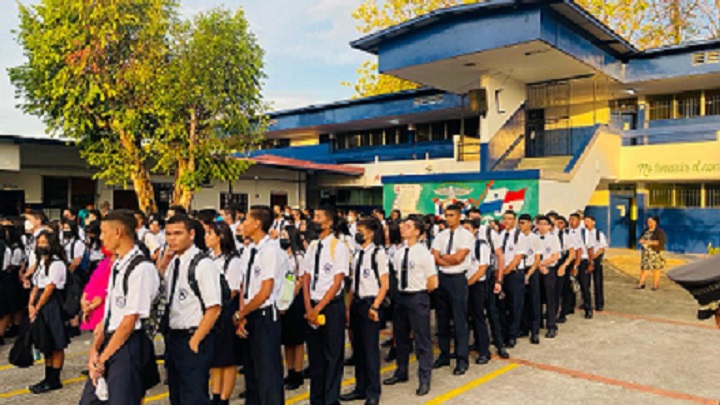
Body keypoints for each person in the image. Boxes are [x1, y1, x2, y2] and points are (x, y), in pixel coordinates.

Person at [79, 210, 161, 405]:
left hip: (127, 344)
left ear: (118, 232)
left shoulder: (141, 268)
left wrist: (103, 359)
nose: (101, 237)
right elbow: (109, 313)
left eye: (103, 232)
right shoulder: (117, 265)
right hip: (110, 338)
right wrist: (95, 350)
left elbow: (129, 320)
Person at [160, 215, 222, 405]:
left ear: (192, 234)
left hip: (193, 336)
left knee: (194, 397)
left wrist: (195, 341)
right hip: (174, 337)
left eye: (178, 233)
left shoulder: (203, 264)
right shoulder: (174, 262)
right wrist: (163, 263)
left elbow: (214, 307)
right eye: (168, 234)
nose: (172, 239)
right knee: (177, 396)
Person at [235, 205, 285, 405]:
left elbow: (265, 291)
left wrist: (241, 313)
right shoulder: (250, 250)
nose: (243, 224)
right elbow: (244, 285)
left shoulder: (270, 250)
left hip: (265, 315)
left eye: (246, 220)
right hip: (249, 314)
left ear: (257, 224)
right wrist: (242, 315)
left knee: (268, 374)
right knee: (252, 373)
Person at [383, 217, 437, 396]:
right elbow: (397, 275)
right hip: (401, 297)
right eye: (403, 226)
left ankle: (424, 379)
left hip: (417, 297)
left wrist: (419, 294)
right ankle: (401, 371)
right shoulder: (399, 253)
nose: (403, 229)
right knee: (400, 337)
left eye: (408, 227)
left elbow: (433, 282)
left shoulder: (423, 253)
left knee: (422, 339)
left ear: (417, 231)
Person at [302, 206, 349, 405]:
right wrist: (308, 308)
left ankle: (331, 399)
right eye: (314, 217)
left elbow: (337, 282)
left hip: (330, 307)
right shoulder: (312, 246)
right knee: (315, 356)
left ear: (329, 223)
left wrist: (319, 308)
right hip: (311, 306)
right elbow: (306, 278)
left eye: (319, 217)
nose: (315, 220)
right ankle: (317, 399)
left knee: (332, 356)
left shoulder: (338, 247)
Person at [341, 219, 389, 405]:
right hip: (357, 304)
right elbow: (353, 284)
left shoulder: (378, 253)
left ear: (370, 233)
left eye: (361, 230)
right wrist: (348, 307)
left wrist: (375, 306)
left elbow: (384, 284)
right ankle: (359, 388)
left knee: (370, 351)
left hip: (371, 303)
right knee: (359, 349)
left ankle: (373, 392)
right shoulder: (358, 253)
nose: (358, 234)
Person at [431, 204, 474, 375]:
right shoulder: (440, 235)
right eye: (446, 215)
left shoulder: (466, 235)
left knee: (459, 320)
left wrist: (443, 257)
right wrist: (445, 259)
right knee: (442, 319)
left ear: (458, 216)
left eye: (451, 215)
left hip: (457, 279)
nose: (447, 218)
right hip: (442, 278)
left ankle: (461, 359)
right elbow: (434, 256)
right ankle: (444, 354)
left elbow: (458, 258)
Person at [204, 221, 243, 405]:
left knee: (227, 358)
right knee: (215, 358)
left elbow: (234, 289)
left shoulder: (232, 260)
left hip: (225, 310)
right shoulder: (208, 257)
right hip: (209, 310)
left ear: (220, 236)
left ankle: (224, 397)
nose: (206, 237)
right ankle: (216, 393)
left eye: (209, 233)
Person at [28, 231, 69, 394]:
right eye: (39, 242)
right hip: (40, 301)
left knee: (56, 342)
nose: (41, 246)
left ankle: (54, 379)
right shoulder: (41, 262)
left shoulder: (56, 263)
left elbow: (50, 288)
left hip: (52, 303)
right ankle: (47, 377)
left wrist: (37, 307)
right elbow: (36, 285)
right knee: (45, 342)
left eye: (45, 242)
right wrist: (31, 304)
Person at [280, 226, 306, 391]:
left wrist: (289, 298)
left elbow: (300, 279)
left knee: (297, 340)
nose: (282, 238)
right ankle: (289, 370)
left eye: (285, 235)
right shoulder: (281, 255)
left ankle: (298, 372)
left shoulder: (299, 257)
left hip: (294, 300)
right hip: (282, 299)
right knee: (287, 340)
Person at [464, 219, 492, 364]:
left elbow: (482, 269)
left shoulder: (481, 246)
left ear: (475, 230)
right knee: (466, 318)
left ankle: (484, 351)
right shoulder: (460, 246)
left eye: (468, 228)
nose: (465, 231)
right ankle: (472, 344)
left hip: (476, 285)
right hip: (463, 285)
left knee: (478, 317)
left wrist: (469, 283)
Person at [535, 216, 561, 338]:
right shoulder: (534, 237)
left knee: (550, 299)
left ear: (550, 226)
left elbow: (555, 256)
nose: (542, 226)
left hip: (549, 270)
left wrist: (543, 265)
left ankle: (551, 325)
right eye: (540, 224)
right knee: (536, 298)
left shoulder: (553, 238)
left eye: (545, 224)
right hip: (536, 269)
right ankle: (537, 323)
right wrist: (539, 266)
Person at [80, 246, 113, 333]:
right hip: (92, 307)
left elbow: (106, 288)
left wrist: (92, 306)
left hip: (102, 308)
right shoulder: (104, 262)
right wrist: (84, 301)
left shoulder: (116, 265)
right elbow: (92, 282)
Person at [568, 213, 593, 319]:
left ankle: (588, 308)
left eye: (574, 219)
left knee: (584, 286)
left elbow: (590, 248)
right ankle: (570, 307)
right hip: (570, 260)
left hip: (582, 260)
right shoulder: (567, 231)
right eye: (570, 220)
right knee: (570, 285)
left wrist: (591, 263)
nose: (571, 222)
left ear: (579, 221)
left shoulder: (584, 232)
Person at [554, 216, 577, 324]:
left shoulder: (566, 236)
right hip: (551, 262)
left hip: (563, 261)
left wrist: (566, 265)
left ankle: (563, 312)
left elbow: (573, 252)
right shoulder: (550, 235)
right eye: (556, 222)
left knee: (563, 289)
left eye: (561, 223)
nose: (558, 225)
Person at [583, 215, 607, 311]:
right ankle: (586, 302)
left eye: (588, 221)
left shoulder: (599, 234)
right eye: (585, 221)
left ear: (593, 222)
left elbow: (602, 248)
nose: (586, 223)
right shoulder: (583, 234)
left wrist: (594, 257)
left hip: (596, 258)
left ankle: (599, 303)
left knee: (597, 282)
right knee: (585, 282)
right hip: (585, 258)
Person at [637, 216, 667, 291]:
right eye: (648, 222)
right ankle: (641, 283)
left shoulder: (659, 231)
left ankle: (655, 285)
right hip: (646, 253)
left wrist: (651, 242)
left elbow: (662, 241)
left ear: (655, 222)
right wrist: (641, 241)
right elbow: (641, 238)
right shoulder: (646, 231)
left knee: (656, 269)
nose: (648, 223)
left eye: (650, 221)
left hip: (656, 252)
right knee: (644, 268)